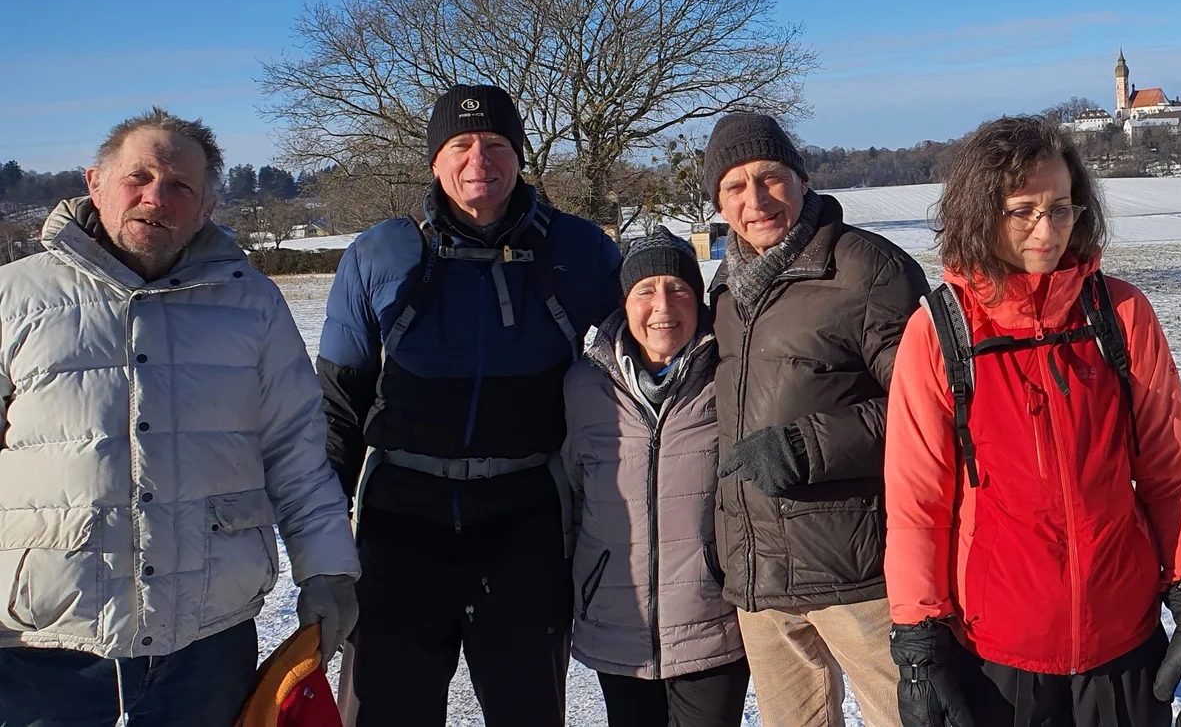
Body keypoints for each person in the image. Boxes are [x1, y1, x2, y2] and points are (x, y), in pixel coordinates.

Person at [0, 112, 360, 725]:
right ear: (95, 182)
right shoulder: (14, 297)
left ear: (208, 204)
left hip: (207, 639)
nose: (155, 199)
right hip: (44, 642)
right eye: (137, 178)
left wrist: (328, 568)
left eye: (179, 187)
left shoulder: (253, 304)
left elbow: (297, 453)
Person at [884, 116, 1181, 727]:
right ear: (980, 212)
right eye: (1022, 210)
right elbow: (918, 505)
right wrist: (918, 642)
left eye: (1062, 208)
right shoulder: (939, 333)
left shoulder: (1120, 314)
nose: (1046, 229)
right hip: (1000, 656)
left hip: (1121, 643)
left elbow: (1171, 476)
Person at [319, 84, 622, 726]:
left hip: (526, 522)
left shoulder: (578, 251)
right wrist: (321, 548)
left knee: (527, 711)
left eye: (495, 144)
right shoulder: (379, 254)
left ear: (519, 156)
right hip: (402, 519)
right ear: (434, 160)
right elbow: (337, 410)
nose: (477, 159)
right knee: (386, 712)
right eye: (460, 144)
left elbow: (654, 351)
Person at [703, 111, 928, 727]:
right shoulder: (726, 291)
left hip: (858, 570)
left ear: (802, 180)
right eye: (734, 186)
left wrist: (808, 446)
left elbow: (931, 406)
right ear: (718, 202)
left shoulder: (868, 269)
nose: (756, 200)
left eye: (771, 177)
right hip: (761, 573)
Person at [561, 227, 750, 726]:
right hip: (617, 621)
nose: (662, 305)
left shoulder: (730, 375)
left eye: (678, 288)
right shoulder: (585, 384)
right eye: (644, 290)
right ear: (624, 303)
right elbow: (573, 491)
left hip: (714, 622)